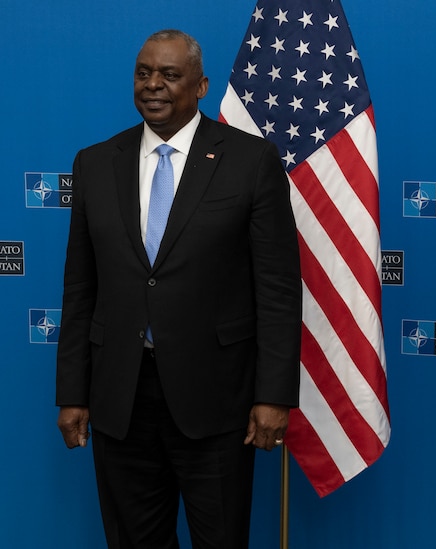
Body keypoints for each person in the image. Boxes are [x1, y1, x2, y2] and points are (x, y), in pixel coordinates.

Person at [55, 29, 302, 548]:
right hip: (121, 398)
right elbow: (80, 288)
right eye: (144, 73)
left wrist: (274, 395)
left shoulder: (251, 161)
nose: (154, 85)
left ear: (201, 86)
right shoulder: (95, 163)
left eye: (170, 75)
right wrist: (72, 393)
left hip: (217, 399)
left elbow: (277, 288)